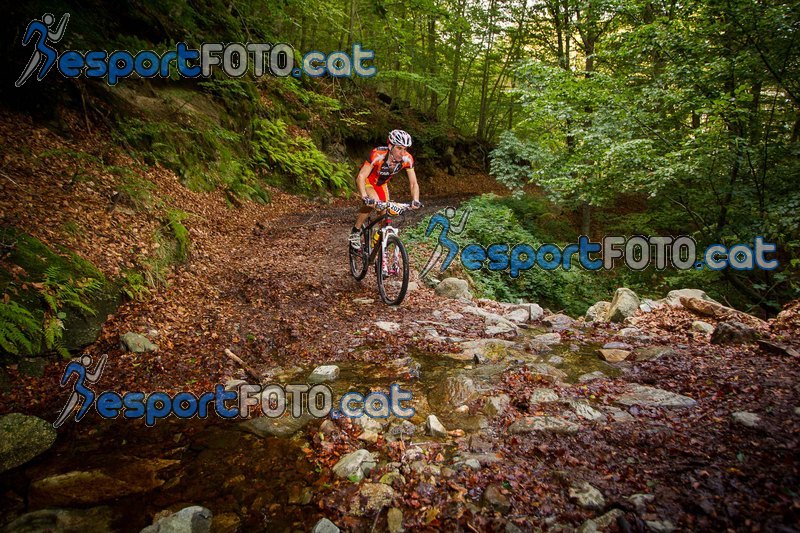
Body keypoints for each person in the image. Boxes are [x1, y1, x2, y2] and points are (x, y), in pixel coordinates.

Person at [349, 129, 422, 249]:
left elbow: (413, 183)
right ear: (390, 146)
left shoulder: (407, 159)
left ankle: (376, 248)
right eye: (399, 148)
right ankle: (355, 231)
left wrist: (415, 200)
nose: (402, 152)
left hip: (382, 185)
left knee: (384, 217)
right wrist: (364, 196)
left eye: (405, 149)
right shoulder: (377, 154)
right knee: (374, 202)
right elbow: (361, 177)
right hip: (368, 181)